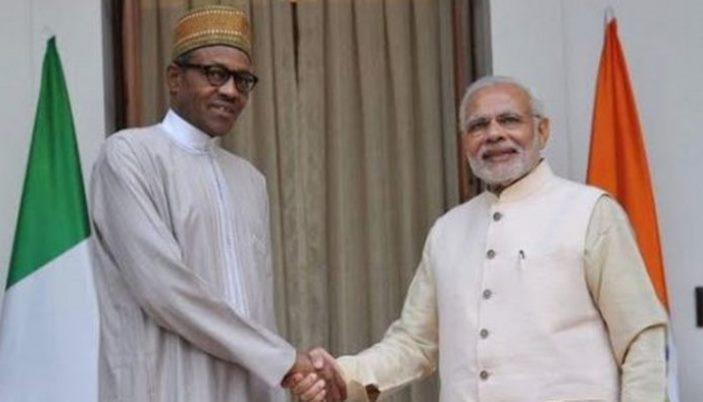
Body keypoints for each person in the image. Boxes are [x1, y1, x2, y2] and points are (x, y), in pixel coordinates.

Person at [292, 75, 668, 401]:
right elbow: (415, 344)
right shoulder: (448, 230)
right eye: (478, 126)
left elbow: (641, 338)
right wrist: (343, 374)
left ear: (542, 131)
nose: (494, 134)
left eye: (509, 120)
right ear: (465, 142)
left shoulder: (589, 212)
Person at [89, 5, 343, 402]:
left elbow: (258, 308)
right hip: (166, 386)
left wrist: (286, 377)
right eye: (215, 74)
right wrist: (285, 361)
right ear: (175, 78)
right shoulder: (129, 156)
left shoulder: (249, 180)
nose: (230, 91)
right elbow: (166, 291)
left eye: (242, 80)